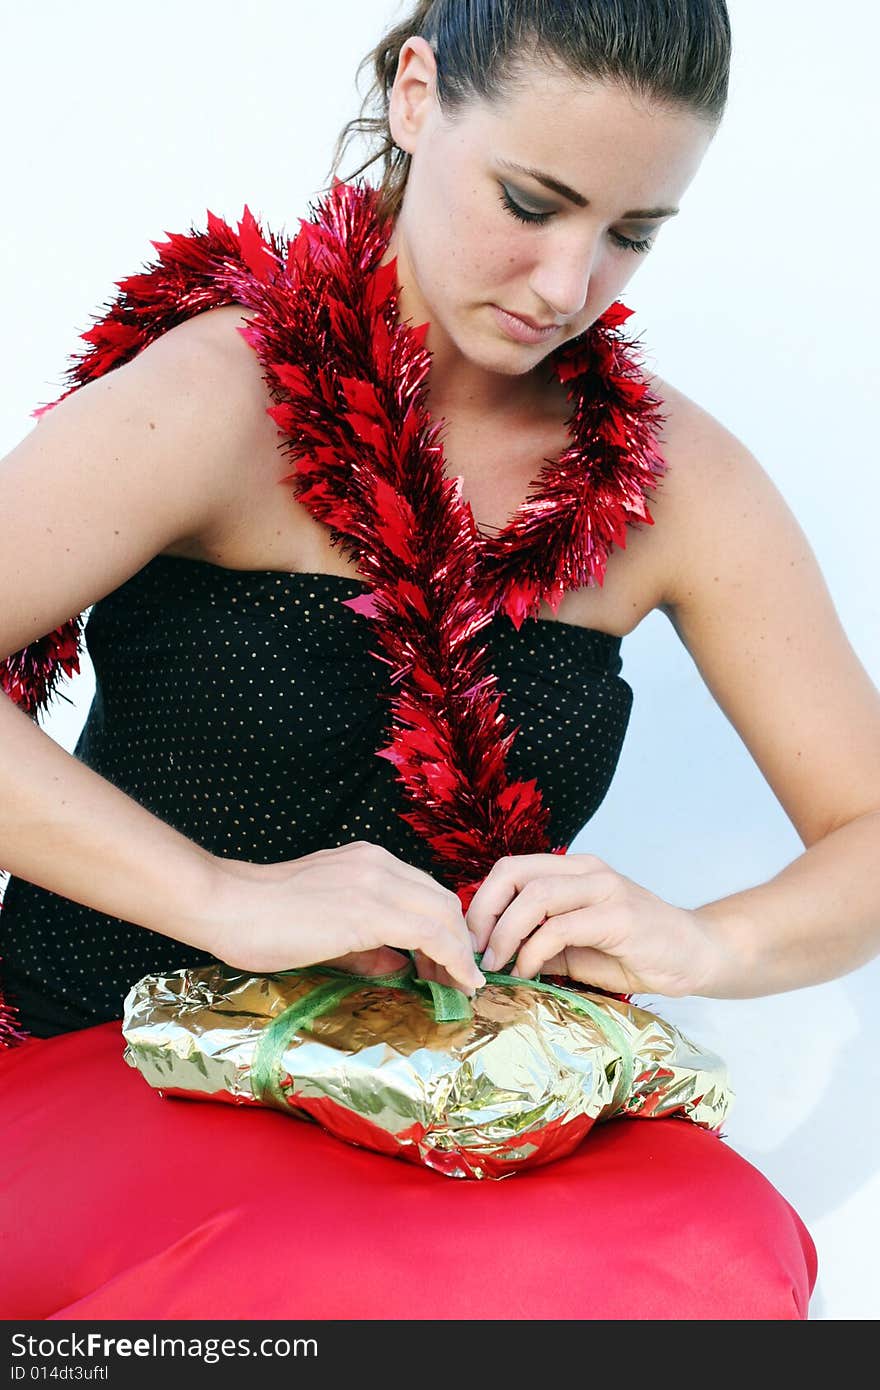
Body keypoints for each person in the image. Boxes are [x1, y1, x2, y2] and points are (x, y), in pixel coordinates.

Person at [3, 0, 875, 1320]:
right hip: (110, 1064)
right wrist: (223, 895)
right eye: (533, 199)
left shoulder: (677, 484)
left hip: (449, 1106)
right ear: (418, 96)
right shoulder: (220, 397)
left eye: (632, 234)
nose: (567, 284)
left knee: (727, 1257)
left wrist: (701, 939)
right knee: (301, 1303)